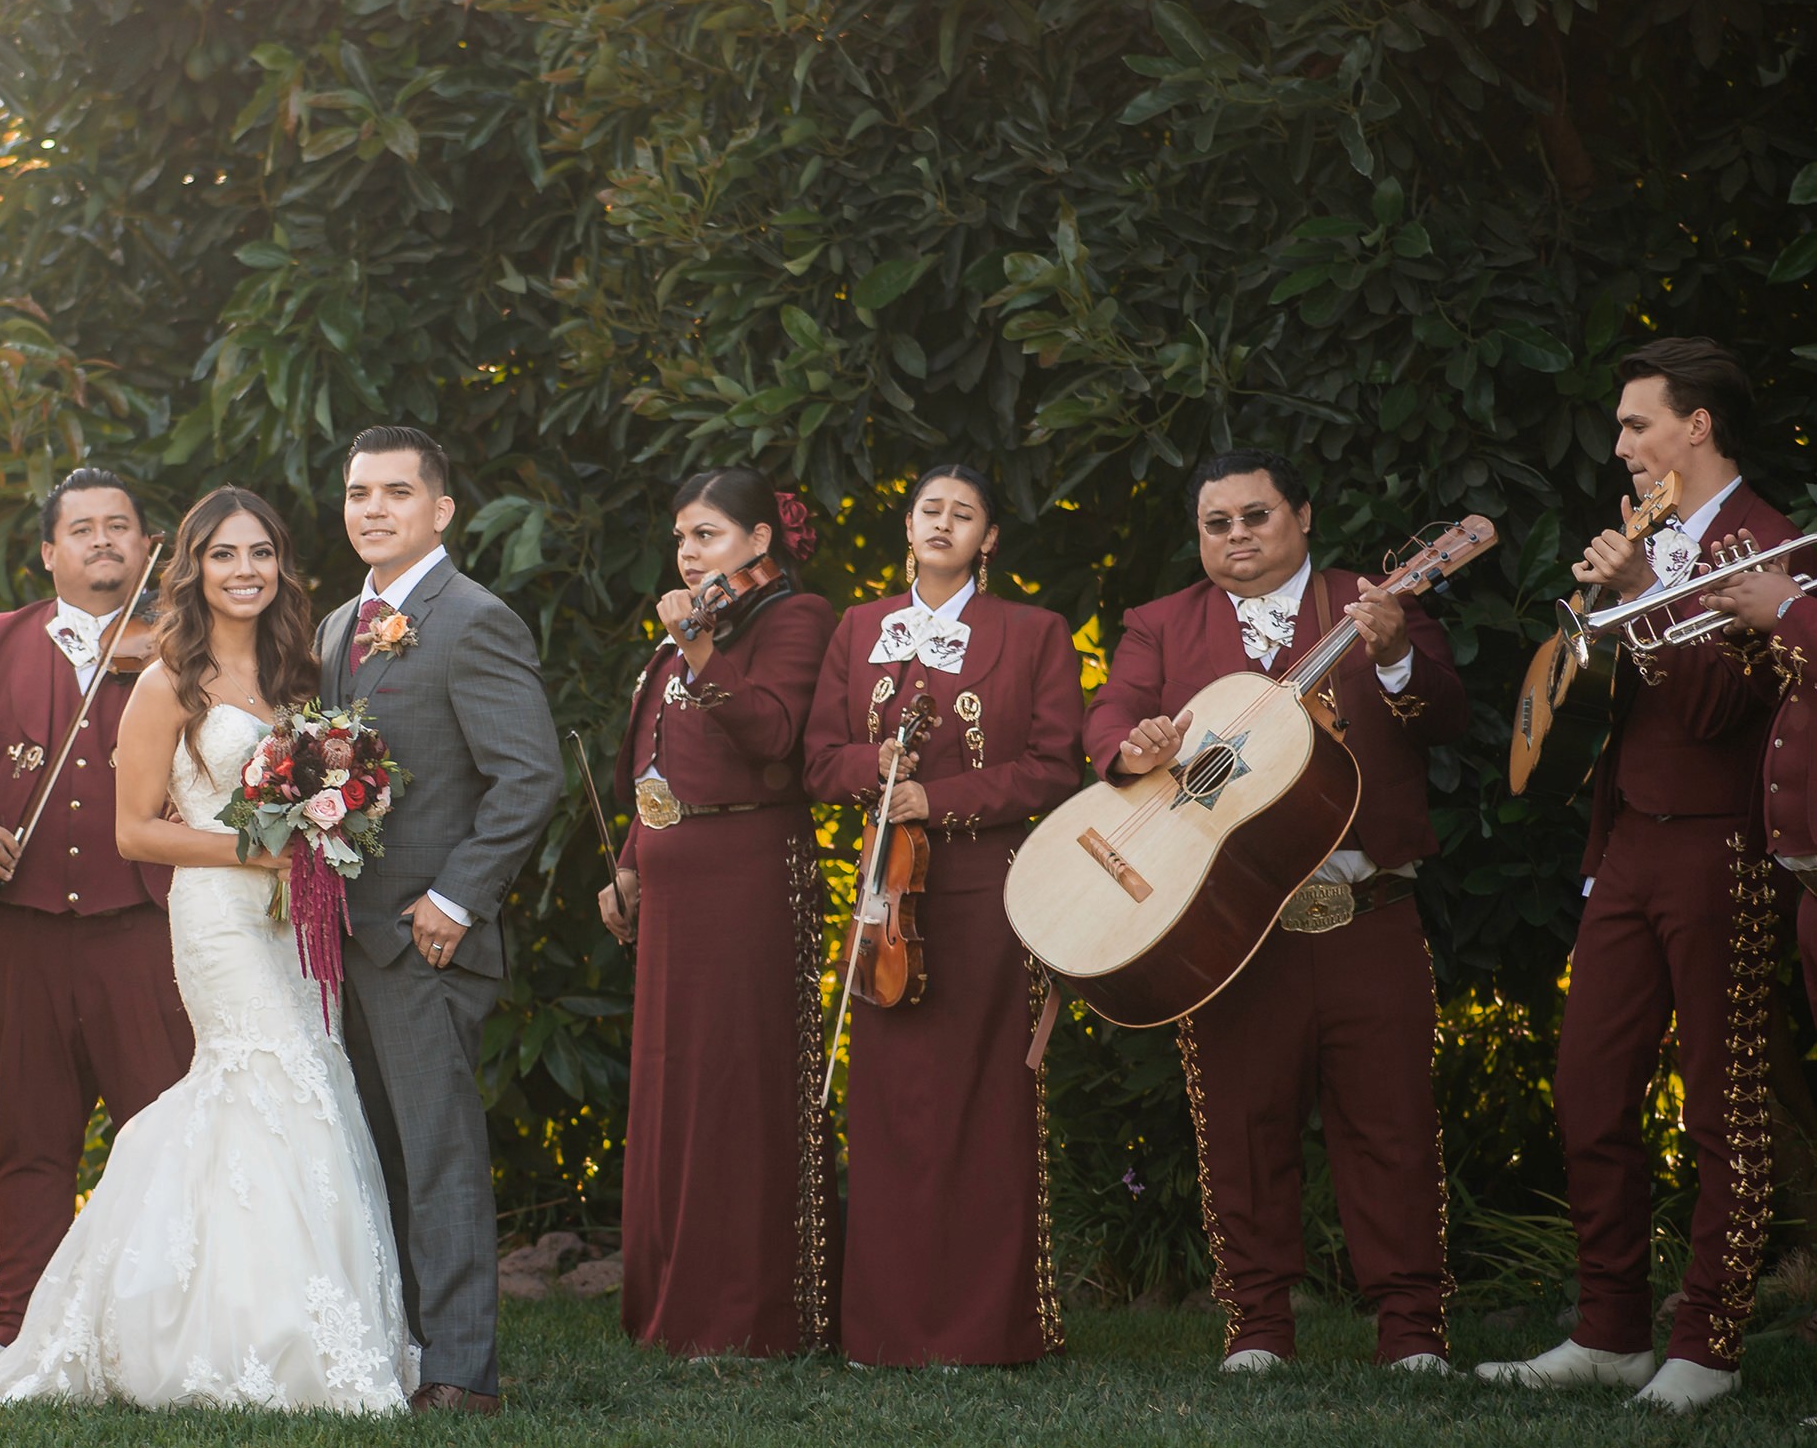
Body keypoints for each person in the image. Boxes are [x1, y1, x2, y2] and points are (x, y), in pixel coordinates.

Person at [0, 488, 414, 1411]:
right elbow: (133, 832)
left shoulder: (303, 676)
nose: (243, 571)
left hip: (296, 917)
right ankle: (216, 1332)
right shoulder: (167, 680)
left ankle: (297, 1324)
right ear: (194, 570)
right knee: (262, 1076)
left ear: (281, 566)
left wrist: (325, 834)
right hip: (217, 914)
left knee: (308, 1085)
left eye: (260, 554)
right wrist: (260, 849)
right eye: (223, 556)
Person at [1090, 451, 1469, 1376]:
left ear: (1301, 513)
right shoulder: (1160, 624)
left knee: (1391, 1126)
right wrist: (1135, 746)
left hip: (1366, 908)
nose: (1237, 537)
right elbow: (1107, 723)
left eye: (1255, 516)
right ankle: (1257, 1329)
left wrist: (1391, 656)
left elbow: (1447, 714)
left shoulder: (1372, 600)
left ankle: (1412, 1333)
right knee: (1242, 1125)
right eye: (1217, 524)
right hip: (1232, 925)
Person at [1480, 338, 1796, 1414]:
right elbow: (1612, 708)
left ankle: (1703, 1346)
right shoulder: (1649, 536)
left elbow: (1714, 711)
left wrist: (1643, 592)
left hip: (1723, 847)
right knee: (1587, 1084)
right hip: (1626, 846)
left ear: (1694, 426)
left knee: (1720, 1100)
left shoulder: (1769, 542)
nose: (1618, 446)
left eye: (1634, 424)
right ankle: (1609, 1330)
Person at [0, 470, 197, 1374]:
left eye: (121, 527)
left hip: (144, 931)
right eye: (82, 529)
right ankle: (17, 1327)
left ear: (149, 549)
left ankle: (163, 1324)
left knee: (162, 1130)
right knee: (28, 1135)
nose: (103, 540)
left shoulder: (190, 648)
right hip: (21, 935)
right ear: (49, 553)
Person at [798, 463, 1084, 1367]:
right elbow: (818, 761)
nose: (944, 524)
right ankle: (882, 1332)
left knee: (985, 1105)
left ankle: (988, 1331)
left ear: (988, 538)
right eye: (931, 509)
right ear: (908, 524)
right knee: (889, 1112)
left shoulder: (1035, 632)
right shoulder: (858, 628)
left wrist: (942, 798)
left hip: (990, 893)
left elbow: (1054, 770)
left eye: (966, 515)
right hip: (886, 899)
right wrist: (872, 767)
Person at [315, 426, 562, 1414]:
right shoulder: (338, 626)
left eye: (395, 492)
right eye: (356, 492)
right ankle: (408, 1346)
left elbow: (528, 775)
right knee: (376, 1155)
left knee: (438, 1155)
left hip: (423, 941)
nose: (372, 508)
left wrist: (455, 900)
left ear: (440, 510)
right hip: (342, 940)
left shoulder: (471, 619)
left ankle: (461, 1373)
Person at [594, 471, 836, 1356]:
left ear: (762, 542)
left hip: (748, 879)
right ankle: (672, 1309)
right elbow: (660, 767)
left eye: (709, 536)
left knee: (736, 1088)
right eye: (683, 539)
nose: (690, 554)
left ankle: (748, 1316)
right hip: (675, 885)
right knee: (672, 1086)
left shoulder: (794, 621)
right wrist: (629, 866)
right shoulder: (695, 633)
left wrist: (695, 649)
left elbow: (772, 734)